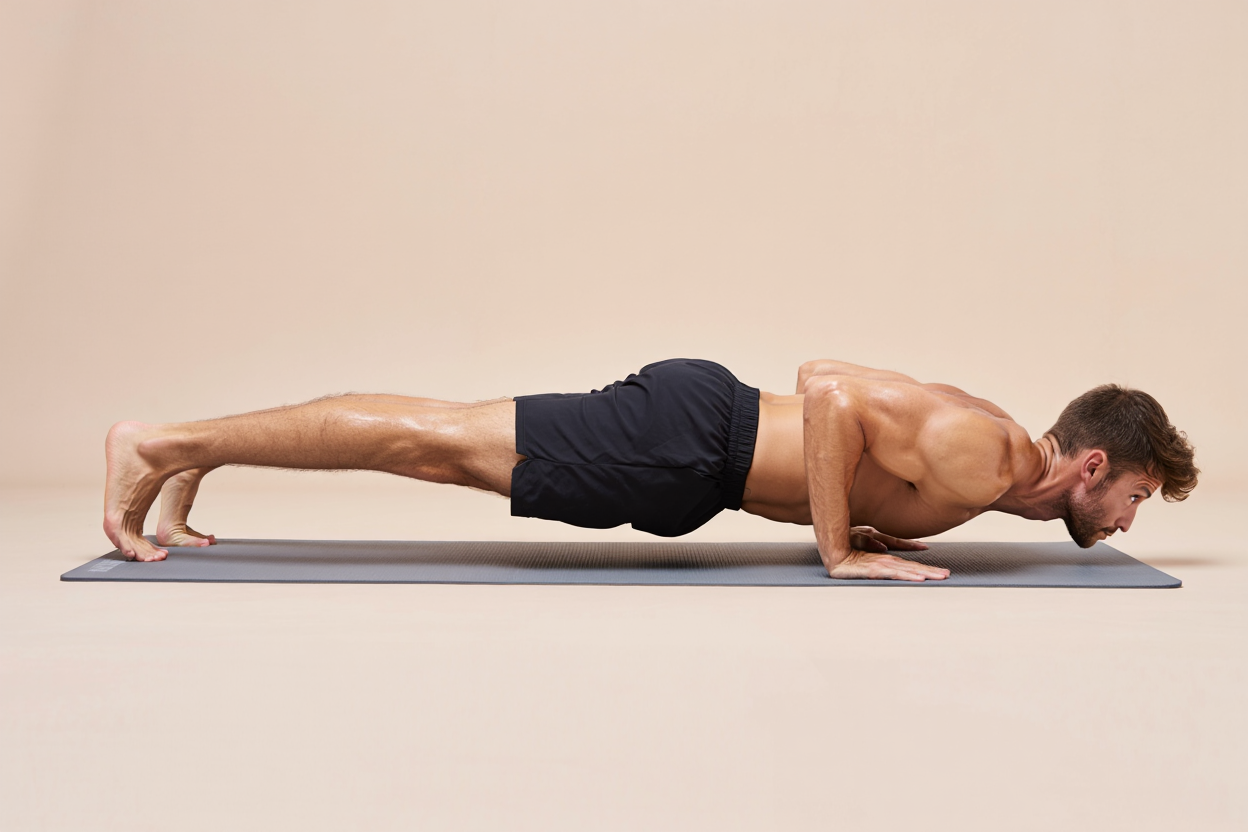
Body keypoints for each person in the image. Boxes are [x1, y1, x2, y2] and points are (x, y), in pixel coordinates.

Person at [103, 358, 1199, 581]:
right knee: (430, 441)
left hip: (691, 456)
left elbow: (865, 456)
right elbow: (827, 392)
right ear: (1093, 463)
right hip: (689, 440)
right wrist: (835, 553)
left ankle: (193, 450)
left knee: (436, 447)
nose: (1126, 521)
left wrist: (861, 525)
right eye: (1136, 498)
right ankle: (161, 445)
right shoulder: (997, 451)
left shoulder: (994, 475)